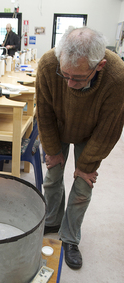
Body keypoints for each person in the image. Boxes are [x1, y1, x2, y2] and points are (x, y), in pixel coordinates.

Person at [36, 27, 124, 270]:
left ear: (100, 66)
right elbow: (43, 112)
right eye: (65, 75)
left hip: (93, 131)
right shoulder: (47, 64)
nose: (70, 83)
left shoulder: (117, 77)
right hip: (59, 123)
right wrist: (53, 151)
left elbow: (109, 129)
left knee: (83, 187)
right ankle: (52, 221)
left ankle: (70, 238)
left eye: (78, 77)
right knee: (52, 177)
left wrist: (85, 167)